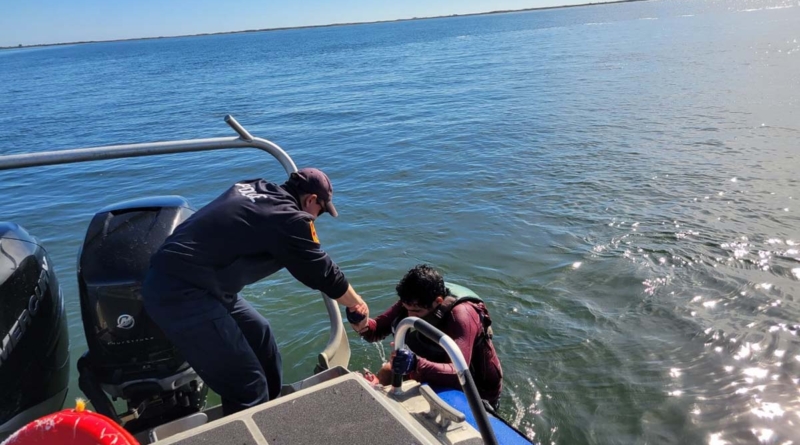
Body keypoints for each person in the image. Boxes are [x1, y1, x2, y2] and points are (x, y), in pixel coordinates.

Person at [141, 168, 369, 415]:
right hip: (181, 293)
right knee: (248, 385)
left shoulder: (255, 185)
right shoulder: (288, 218)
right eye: (321, 211)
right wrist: (358, 306)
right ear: (311, 199)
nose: (318, 217)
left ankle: (269, 416)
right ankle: (248, 420)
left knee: (261, 336)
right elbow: (324, 273)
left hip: (202, 282)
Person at [351, 264, 503, 409]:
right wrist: (362, 323)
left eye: (416, 312)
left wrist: (415, 364)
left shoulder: (462, 315)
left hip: (473, 386)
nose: (410, 316)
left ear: (438, 301)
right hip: (435, 362)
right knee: (387, 371)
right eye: (406, 308)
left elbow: (459, 374)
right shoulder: (414, 302)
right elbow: (375, 331)